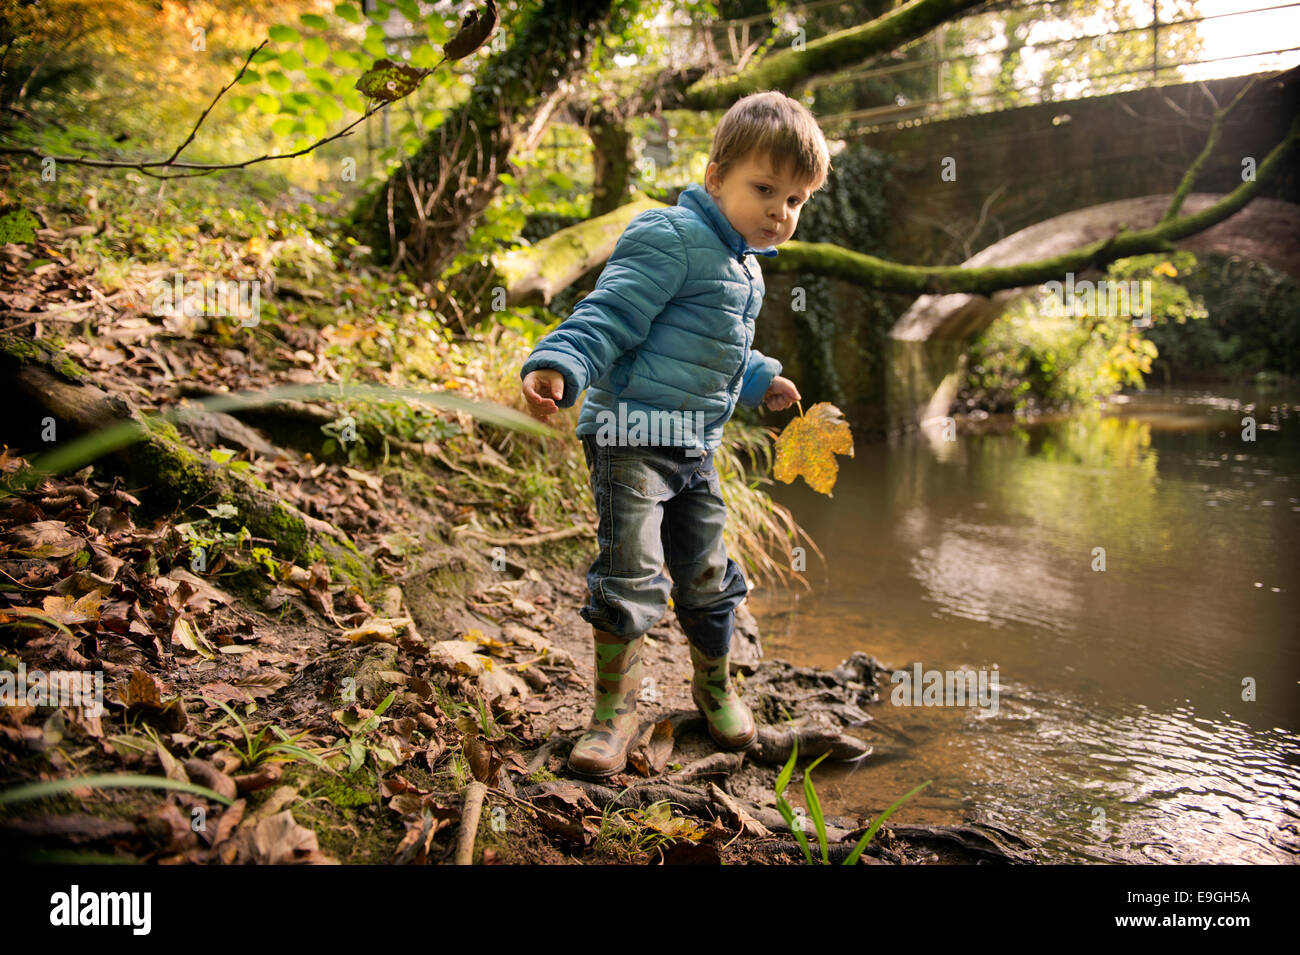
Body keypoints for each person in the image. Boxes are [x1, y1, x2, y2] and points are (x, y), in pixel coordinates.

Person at [519, 90, 831, 778]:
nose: (781, 211)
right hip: (631, 437)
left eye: (797, 200)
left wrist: (759, 380)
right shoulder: (668, 236)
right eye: (765, 189)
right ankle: (614, 711)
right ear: (716, 177)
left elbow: (709, 348)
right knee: (629, 570)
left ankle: (714, 687)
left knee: (708, 570)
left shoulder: (745, 266)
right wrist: (559, 364)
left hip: (695, 447)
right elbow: (610, 313)